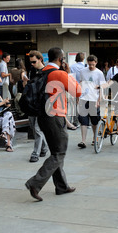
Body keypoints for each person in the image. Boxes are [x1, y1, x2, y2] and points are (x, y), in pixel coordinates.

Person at [25, 47, 82, 202]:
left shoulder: (42, 72)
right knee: (59, 153)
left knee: (56, 152)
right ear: (61, 59)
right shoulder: (59, 73)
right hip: (56, 116)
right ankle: (35, 183)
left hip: (42, 117)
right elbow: (77, 91)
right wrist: (68, 73)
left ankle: (62, 186)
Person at [77, 54, 105, 149]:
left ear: (96, 63)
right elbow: (80, 84)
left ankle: (94, 137)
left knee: (94, 121)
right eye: (89, 64)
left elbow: (102, 87)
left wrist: (99, 100)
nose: (91, 66)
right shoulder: (82, 71)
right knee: (83, 120)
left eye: (93, 64)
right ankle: (83, 141)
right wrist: (78, 97)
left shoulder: (99, 73)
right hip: (83, 99)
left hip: (94, 99)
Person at [26, 50, 49, 162]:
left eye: (34, 62)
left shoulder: (46, 72)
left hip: (42, 104)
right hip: (32, 103)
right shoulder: (32, 70)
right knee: (34, 128)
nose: (32, 64)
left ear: (40, 59)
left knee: (37, 128)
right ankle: (44, 148)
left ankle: (35, 153)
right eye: (31, 62)